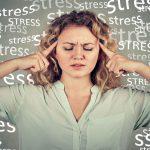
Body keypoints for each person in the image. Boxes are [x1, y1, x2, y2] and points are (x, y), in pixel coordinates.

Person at [0, 10, 150, 150]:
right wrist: (16, 63)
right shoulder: (24, 98)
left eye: (88, 48)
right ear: (55, 53)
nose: (78, 55)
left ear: (100, 54)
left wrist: (139, 67)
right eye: (68, 47)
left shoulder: (128, 101)